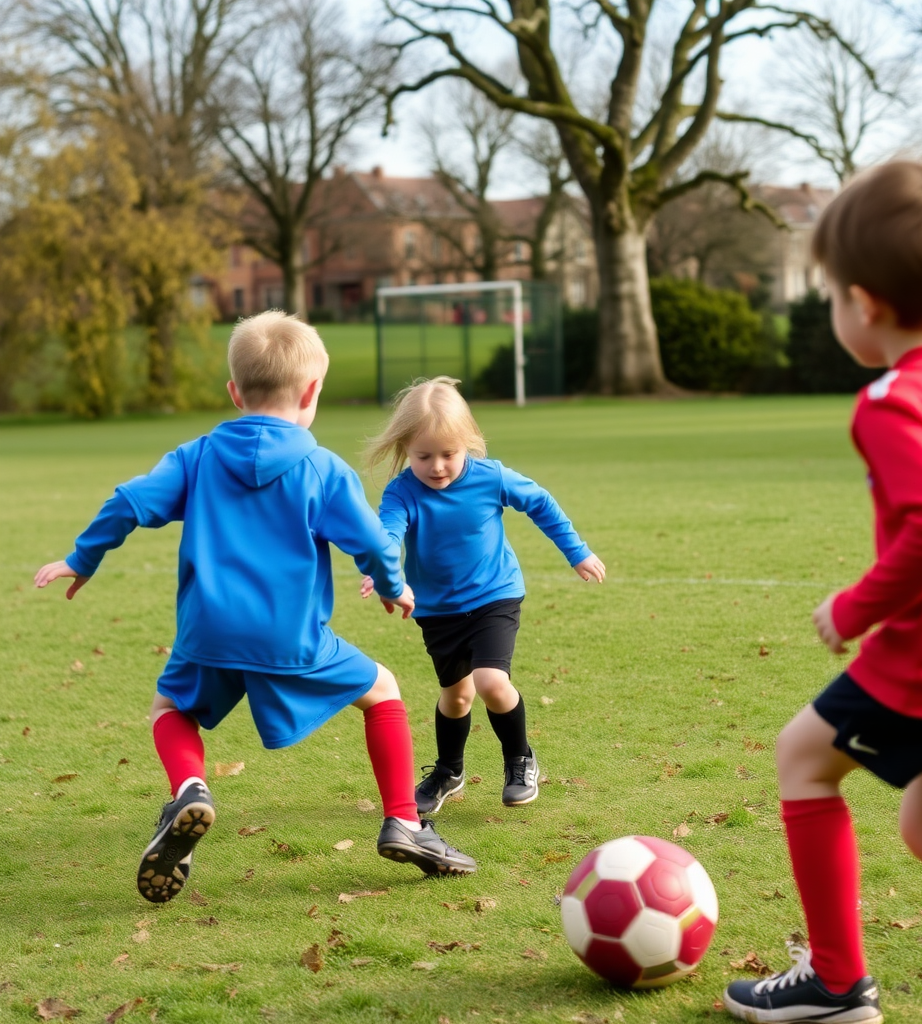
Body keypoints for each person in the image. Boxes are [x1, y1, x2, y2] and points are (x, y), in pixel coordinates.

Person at [723, 151, 922, 1023]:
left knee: (801, 761)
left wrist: (852, 608)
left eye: (830, 289)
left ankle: (837, 984)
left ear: (869, 305)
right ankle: (835, 981)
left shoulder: (894, 400)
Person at [34, 311, 476, 904]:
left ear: (235, 392)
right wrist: (392, 582)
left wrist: (82, 559)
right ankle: (406, 821)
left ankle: (190, 787)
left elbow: (130, 501)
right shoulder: (322, 469)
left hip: (206, 632)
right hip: (290, 637)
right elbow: (371, 541)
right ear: (312, 392)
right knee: (384, 690)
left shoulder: (197, 456)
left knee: (170, 705)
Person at [360, 376, 605, 814]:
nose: (437, 466)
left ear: (468, 443)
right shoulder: (401, 491)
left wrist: (577, 551)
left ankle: (520, 759)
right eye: (423, 456)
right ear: (405, 449)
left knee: (491, 681)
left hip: (495, 596)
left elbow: (541, 503)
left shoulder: (490, 477)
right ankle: (449, 771)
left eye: (449, 454)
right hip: (438, 610)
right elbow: (388, 533)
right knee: (456, 696)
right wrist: (381, 570)